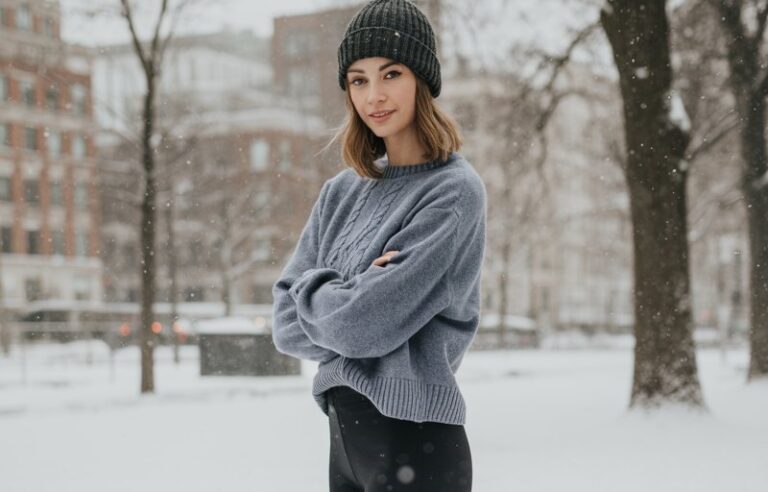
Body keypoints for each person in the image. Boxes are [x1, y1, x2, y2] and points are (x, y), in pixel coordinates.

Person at [271, 1, 486, 490]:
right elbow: (285, 326)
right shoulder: (340, 193)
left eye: (390, 74)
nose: (374, 95)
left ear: (422, 81)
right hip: (345, 437)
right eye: (358, 79)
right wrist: (350, 288)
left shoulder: (452, 191)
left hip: (417, 437)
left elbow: (359, 327)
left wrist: (323, 291)